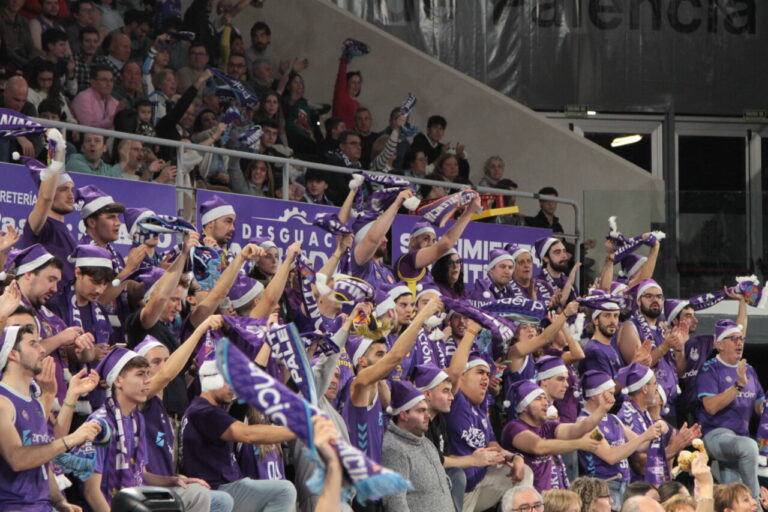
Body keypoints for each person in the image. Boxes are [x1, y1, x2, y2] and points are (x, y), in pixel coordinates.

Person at [79, 348, 215, 511]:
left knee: (198, 493)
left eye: (148, 374)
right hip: (113, 506)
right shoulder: (100, 424)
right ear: (118, 380)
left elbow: (141, 475)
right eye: (140, 374)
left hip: (138, 501)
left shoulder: (137, 419)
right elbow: (90, 490)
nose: (148, 380)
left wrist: (173, 480)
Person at [0, 323, 101, 511]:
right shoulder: (3, 403)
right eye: (33, 344)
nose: (42, 349)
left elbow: (44, 455)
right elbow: (17, 459)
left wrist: (59, 501)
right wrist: (70, 439)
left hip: (42, 505)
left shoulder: (34, 401)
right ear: (12, 354)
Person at [180, 359, 298, 511]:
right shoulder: (205, 412)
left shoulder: (198, 408)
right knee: (284, 491)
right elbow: (248, 434)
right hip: (217, 487)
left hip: (221, 485)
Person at [343, 295, 442, 462]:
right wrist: (422, 316)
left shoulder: (377, 387)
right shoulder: (359, 384)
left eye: (385, 353)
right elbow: (396, 357)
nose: (385, 359)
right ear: (362, 361)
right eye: (380, 354)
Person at [697, 319, 764, 498]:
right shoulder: (709, 369)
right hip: (715, 435)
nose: (739, 342)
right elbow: (710, 407)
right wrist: (737, 386)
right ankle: (755, 504)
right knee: (749, 447)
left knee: (731, 494)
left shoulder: (749, 370)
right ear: (719, 344)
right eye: (733, 338)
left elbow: (759, 408)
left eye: (741, 338)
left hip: (739, 438)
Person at [501, 379, 606, 491]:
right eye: (538, 398)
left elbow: (579, 428)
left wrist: (603, 408)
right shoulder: (513, 427)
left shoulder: (548, 426)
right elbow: (539, 446)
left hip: (553, 499)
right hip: (530, 503)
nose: (545, 403)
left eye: (545, 398)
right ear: (524, 406)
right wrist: (580, 444)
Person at [578, 370, 662, 507]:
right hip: (604, 489)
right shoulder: (585, 423)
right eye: (610, 394)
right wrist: (645, 436)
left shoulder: (613, 418)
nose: (614, 398)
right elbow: (610, 455)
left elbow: (641, 446)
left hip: (623, 485)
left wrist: (662, 434)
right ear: (595, 395)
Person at [617, 363, 700, 486]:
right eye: (655, 384)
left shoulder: (643, 413)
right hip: (639, 491)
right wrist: (673, 447)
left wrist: (677, 442)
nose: (657, 388)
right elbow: (641, 465)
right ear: (645, 389)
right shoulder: (629, 415)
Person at [381, 380, 454, 512]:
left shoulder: (426, 442)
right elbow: (395, 504)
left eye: (426, 410)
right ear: (404, 415)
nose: (427, 415)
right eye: (421, 411)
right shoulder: (394, 449)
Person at [617, 279, 685, 419]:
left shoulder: (664, 329)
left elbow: (680, 372)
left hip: (669, 404)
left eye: (659, 296)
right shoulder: (630, 326)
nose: (655, 300)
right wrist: (665, 346)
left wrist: (679, 349)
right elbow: (636, 368)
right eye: (649, 296)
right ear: (638, 301)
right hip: (645, 407)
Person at [395, 192, 481, 294]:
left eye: (433, 240)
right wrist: (469, 212)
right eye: (426, 239)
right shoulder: (408, 260)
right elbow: (445, 244)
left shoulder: (426, 272)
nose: (431, 244)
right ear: (412, 241)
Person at [70, 64, 120, 130]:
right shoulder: (83, 98)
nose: (109, 84)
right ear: (93, 82)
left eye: (111, 80)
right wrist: (111, 120)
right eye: (104, 80)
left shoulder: (115, 102)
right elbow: (88, 128)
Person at [72, 25, 101, 93]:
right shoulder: (71, 60)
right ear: (80, 43)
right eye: (88, 41)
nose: (92, 45)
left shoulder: (104, 62)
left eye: (95, 41)